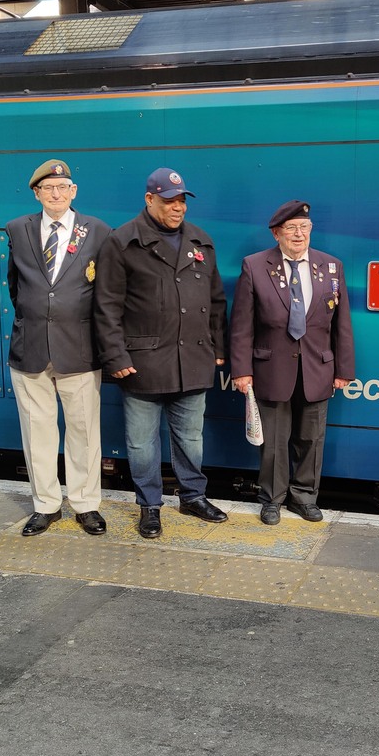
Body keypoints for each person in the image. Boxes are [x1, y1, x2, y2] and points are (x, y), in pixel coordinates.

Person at [93, 167, 228, 539]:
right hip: (143, 364)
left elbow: (216, 302)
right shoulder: (123, 242)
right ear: (149, 199)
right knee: (141, 443)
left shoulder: (202, 242)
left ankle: (193, 496)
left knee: (190, 438)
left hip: (194, 361)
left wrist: (217, 347)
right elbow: (107, 307)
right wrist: (116, 357)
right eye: (170, 200)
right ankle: (150, 506)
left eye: (182, 200)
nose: (178, 207)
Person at [229, 200, 355, 524]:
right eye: (291, 228)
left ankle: (304, 498)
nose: (299, 234)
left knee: (312, 439)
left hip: (318, 368)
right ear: (276, 234)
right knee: (273, 442)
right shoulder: (255, 266)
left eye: (304, 228)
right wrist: (241, 370)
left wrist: (343, 369)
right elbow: (242, 324)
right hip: (271, 368)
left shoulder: (331, 267)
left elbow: (341, 323)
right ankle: (271, 499)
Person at [6, 159, 111, 536]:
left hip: (79, 349)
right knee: (37, 431)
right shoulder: (18, 229)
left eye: (63, 187)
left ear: (73, 192)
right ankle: (45, 505)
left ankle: (85, 504)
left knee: (84, 431)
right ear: (36, 193)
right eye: (48, 188)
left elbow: (106, 292)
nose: (56, 193)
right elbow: (15, 286)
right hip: (31, 346)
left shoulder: (97, 230)